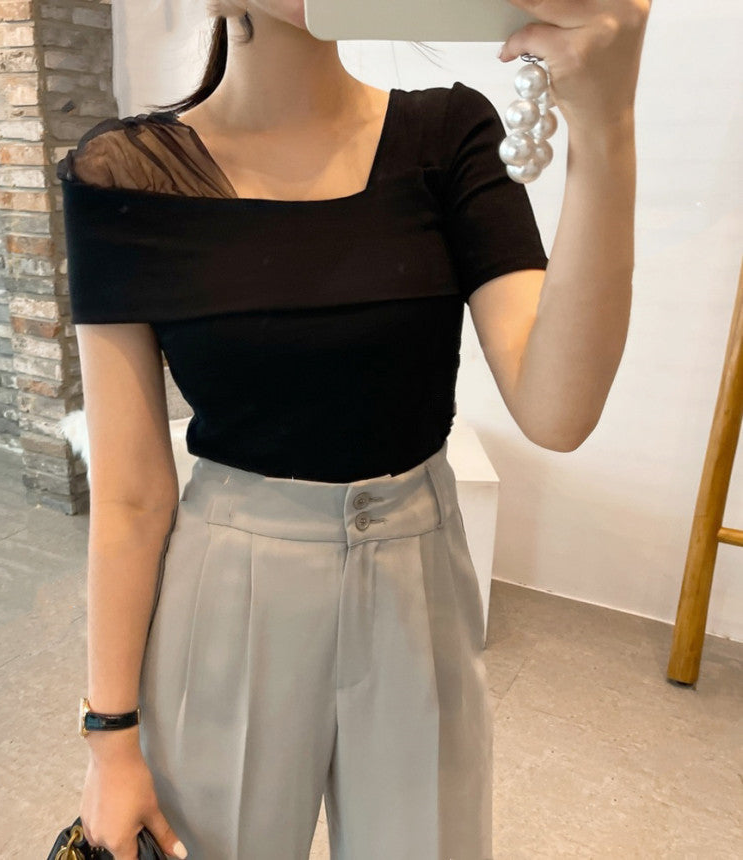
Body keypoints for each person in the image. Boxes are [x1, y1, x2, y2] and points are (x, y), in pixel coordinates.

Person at [56, 1, 651, 858]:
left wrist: (607, 123)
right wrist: (110, 740)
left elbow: (558, 413)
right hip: (228, 592)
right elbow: (130, 494)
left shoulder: (447, 136)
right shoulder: (129, 176)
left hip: (419, 578)